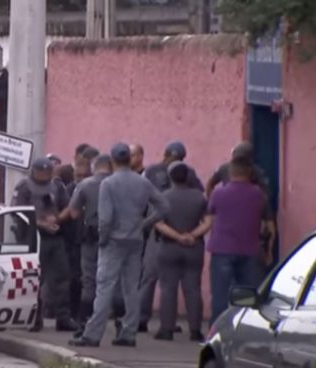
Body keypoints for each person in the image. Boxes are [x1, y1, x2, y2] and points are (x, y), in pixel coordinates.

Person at [69, 143, 169, 347]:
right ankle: (128, 332)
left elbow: (105, 218)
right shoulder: (142, 183)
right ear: (128, 159)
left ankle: (93, 334)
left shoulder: (109, 183)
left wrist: (103, 238)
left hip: (113, 240)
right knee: (130, 288)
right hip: (135, 239)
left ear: (113, 160)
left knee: (104, 287)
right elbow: (164, 207)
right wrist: (145, 223)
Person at [137, 140, 202, 332]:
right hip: (159, 232)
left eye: (179, 158)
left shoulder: (187, 173)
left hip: (169, 230)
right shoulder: (151, 171)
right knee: (150, 277)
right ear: (165, 155)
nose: (176, 160)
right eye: (174, 156)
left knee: (168, 284)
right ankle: (142, 318)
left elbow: (198, 195)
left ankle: (168, 324)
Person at [195, 157, 267, 324]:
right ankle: (247, 327)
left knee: (220, 294)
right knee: (248, 294)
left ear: (230, 172)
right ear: (249, 172)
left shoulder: (219, 192)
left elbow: (210, 213)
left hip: (222, 248)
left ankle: (217, 329)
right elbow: (263, 218)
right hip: (250, 248)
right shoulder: (257, 194)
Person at [12, 156, 79, 332]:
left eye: (48, 172)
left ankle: (63, 318)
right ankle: (33, 318)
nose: (45, 175)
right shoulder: (24, 186)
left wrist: (57, 219)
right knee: (34, 279)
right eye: (42, 172)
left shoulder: (57, 185)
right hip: (32, 237)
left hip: (55, 237)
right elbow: (17, 211)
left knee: (62, 277)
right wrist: (39, 222)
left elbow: (68, 206)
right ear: (34, 171)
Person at [151, 161, 210, 342]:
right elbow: (208, 222)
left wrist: (177, 236)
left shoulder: (163, 197)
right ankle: (195, 330)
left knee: (168, 288)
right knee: (193, 289)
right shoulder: (200, 197)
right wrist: (191, 235)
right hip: (194, 247)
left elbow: (158, 223)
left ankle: (166, 329)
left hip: (169, 247)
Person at [58, 154, 114, 333]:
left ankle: (85, 321)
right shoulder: (116, 184)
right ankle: (118, 324)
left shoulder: (86, 186)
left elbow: (73, 213)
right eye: (78, 175)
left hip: (89, 237)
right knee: (110, 282)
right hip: (113, 237)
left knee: (89, 280)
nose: (80, 178)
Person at [205, 142, 276, 271]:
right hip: (249, 237)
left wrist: (212, 200)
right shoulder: (257, 174)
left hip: (224, 240)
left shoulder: (223, 171)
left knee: (222, 286)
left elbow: (210, 183)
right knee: (248, 284)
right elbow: (267, 209)